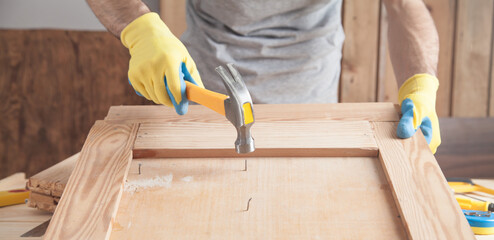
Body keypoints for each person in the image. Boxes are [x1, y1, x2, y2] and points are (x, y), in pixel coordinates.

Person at [86, 0, 441, 153]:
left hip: (310, 98)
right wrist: (140, 29)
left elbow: (405, 5)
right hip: (203, 90)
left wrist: (421, 84)